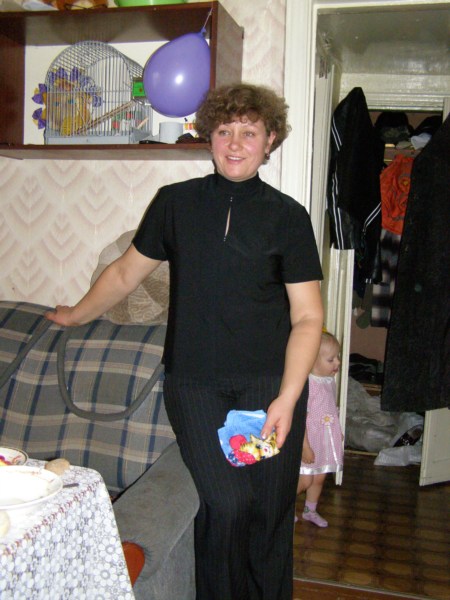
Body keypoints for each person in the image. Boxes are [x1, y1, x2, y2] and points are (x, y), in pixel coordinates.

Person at [46, 83, 324, 600]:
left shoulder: (289, 218)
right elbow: (125, 273)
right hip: (195, 385)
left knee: (269, 515)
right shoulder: (175, 204)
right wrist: (76, 314)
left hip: (270, 386)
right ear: (209, 136)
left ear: (270, 140)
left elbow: (308, 317)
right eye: (224, 131)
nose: (235, 143)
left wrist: (288, 398)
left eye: (249, 133)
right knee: (227, 504)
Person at [296, 331, 344, 528]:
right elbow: (300, 418)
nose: (338, 362)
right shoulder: (308, 384)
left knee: (319, 477)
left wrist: (337, 431)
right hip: (309, 440)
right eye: (331, 359)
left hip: (324, 439)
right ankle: (283, 508)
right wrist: (305, 446)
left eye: (337, 357)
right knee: (305, 480)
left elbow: (330, 408)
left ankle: (310, 510)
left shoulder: (329, 381)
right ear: (313, 361)